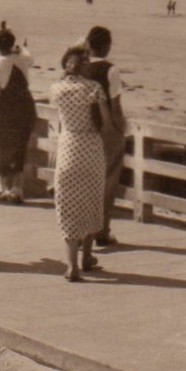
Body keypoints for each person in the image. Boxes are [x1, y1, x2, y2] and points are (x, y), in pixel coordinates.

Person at [49, 44, 109, 282]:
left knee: (69, 204)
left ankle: (71, 265)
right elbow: (104, 121)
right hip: (91, 148)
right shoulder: (94, 88)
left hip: (68, 147)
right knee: (91, 201)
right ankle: (87, 257)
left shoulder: (57, 89)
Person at [82, 26, 126, 246]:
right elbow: (115, 106)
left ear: (88, 45)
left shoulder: (80, 68)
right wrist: (121, 128)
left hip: (82, 130)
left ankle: (81, 230)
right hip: (106, 131)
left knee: (84, 181)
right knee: (107, 182)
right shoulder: (111, 70)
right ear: (108, 46)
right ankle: (101, 230)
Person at [0, 28, 38, 204]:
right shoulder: (22, 59)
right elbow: (30, 57)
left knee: (5, 147)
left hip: (7, 107)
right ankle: (18, 188)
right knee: (20, 148)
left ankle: (6, 189)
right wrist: (21, 48)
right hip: (26, 105)